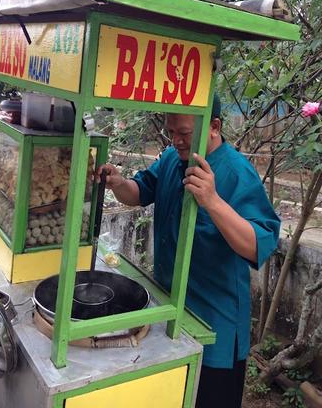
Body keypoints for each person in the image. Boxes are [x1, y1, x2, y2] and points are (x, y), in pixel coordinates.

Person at [97, 95, 279, 408]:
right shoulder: (171, 158)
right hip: (172, 313)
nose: (177, 141)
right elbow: (139, 192)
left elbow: (259, 244)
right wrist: (117, 183)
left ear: (214, 127)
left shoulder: (236, 173)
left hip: (215, 327)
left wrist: (213, 200)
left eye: (184, 133)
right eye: (172, 133)